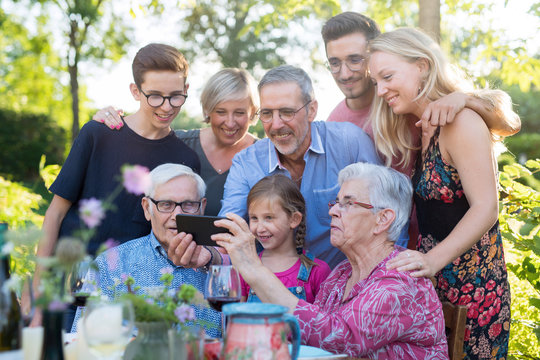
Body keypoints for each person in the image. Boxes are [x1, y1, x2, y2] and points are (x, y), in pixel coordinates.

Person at [31, 43, 200, 328]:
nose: (167, 106)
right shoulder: (97, 134)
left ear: (186, 89)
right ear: (136, 91)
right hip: (66, 288)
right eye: (155, 97)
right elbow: (55, 215)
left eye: (176, 96)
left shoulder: (184, 160)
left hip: (126, 297)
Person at [368, 28, 511, 358]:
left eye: (387, 76)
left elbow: (486, 208)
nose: (380, 90)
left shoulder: (461, 121)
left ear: (422, 65)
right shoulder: (424, 126)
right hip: (439, 290)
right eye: (376, 81)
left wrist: (430, 261)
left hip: (475, 293)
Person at [213, 162, 448, 358]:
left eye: (347, 203)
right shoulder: (342, 273)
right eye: (336, 202)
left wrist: (253, 268)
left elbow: (338, 338)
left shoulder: (400, 280)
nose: (333, 210)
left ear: (382, 219)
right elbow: (307, 333)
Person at [214, 65, 381, 269]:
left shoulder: (349, 143)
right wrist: (209, 256)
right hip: (273, 287)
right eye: (267, 114)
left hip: (345, 283)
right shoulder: (246, 162)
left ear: (312, 110)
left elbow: (385, 212)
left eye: (286, 112)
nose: (275, 125)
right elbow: (230, 228)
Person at [321, 11, 521, 173]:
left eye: (355, 60)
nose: (344, 73)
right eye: (335, 63)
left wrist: (465, 99)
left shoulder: (413, 98)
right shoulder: (336, 125)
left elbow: (510, 125)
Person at [72, 163, 221, 337]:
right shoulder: (110, 264)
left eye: (188, 204)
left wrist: (213, 263)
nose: (177, 215)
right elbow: (83, 339)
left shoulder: (222, 268)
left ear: (202, 207)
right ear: (147, 208)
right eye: (166, 204)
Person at [94, 68, 259, 216]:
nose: (230, 123)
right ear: (208, 110)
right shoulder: (178, 144)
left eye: (239, 113)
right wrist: (107, 120)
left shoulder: (265, 157)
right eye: (221, 112)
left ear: (252, 112)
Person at [240, 174, 331, 303]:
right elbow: (236, 318)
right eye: (254, 218)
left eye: (269, 218)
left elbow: (322, 322)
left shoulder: (318, 272)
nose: (260, 228)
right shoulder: (246, 269)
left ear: (294, 219)